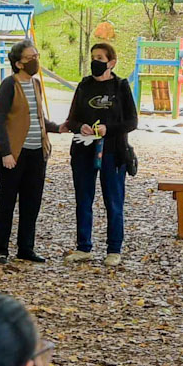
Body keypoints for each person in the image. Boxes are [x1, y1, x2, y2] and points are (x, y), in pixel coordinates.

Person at [62, 41, 137, 266]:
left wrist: (108, 129)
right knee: (83, 199)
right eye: (93, 57)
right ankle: (83, 247)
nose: (95, 62)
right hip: (83, 150)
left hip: (113, 151)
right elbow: (71, 119)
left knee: (113, 201)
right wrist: (80, 127)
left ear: (111, 63)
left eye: (100, 58)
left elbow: (132, 121)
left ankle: (114, 249)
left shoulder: (121, 87)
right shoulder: (84, 86)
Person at [0, 39, 66, 264]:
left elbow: (37, 116)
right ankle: (0, 249)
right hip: (13, 153)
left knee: (31, 202)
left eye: (36, 56)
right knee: (7, 201)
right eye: (30, 58)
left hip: (37, 151)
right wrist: (7, 152)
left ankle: (26, 248)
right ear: (19, 63)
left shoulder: (36, 84)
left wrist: (57, 128)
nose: (35, 61)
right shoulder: (9, 85)